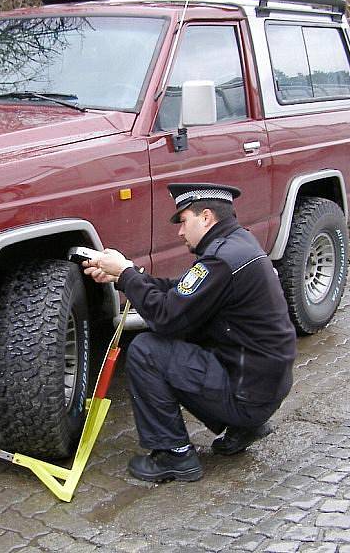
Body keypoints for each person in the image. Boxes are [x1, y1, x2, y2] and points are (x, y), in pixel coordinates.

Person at [83, 183, 297, 483]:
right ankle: (244, 426)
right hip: (263, 387)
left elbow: (167, 317)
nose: (180, 232)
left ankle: (174, 455)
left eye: (183, 221)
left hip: (247, 394)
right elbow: (180, 293)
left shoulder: (221, 259)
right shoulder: (237, 245)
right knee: (181, 335)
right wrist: (126, 273)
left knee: (147, 349)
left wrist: (128, 275)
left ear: (206, 217)